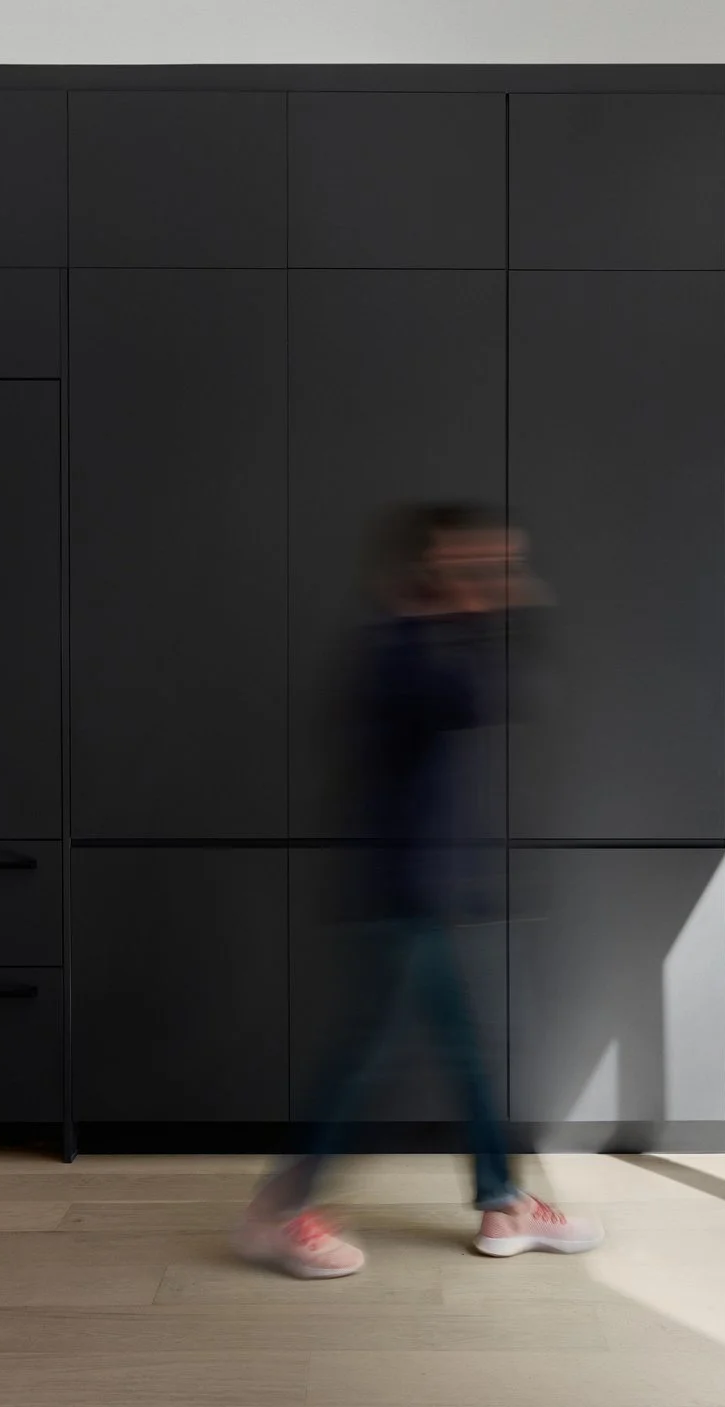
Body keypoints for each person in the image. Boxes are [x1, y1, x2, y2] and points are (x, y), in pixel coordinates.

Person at [235, 504, 603, 1279]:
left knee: (462, 1052)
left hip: (424, 890)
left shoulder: (411, 644)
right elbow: (478, 698)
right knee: (367, 1060)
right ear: (429, 567)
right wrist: (504, 606)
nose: (491, 580)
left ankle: (502, 1203)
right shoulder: (397, 649)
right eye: (474, 565)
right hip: (397, 894)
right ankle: (282, 1209)